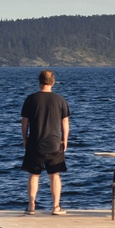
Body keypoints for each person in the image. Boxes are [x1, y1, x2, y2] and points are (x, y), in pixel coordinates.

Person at [20, 69, 70, 214]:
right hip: (54, 143)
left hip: (35, 142)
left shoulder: (31, 99)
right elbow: (65, 122)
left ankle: (31, 206)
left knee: (33, 175)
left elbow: (24, 122)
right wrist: (64, 139)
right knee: (54, 175)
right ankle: (56, 207)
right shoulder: (60, 100)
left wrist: (25, 139)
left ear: (39, 81)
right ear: (53, 82)